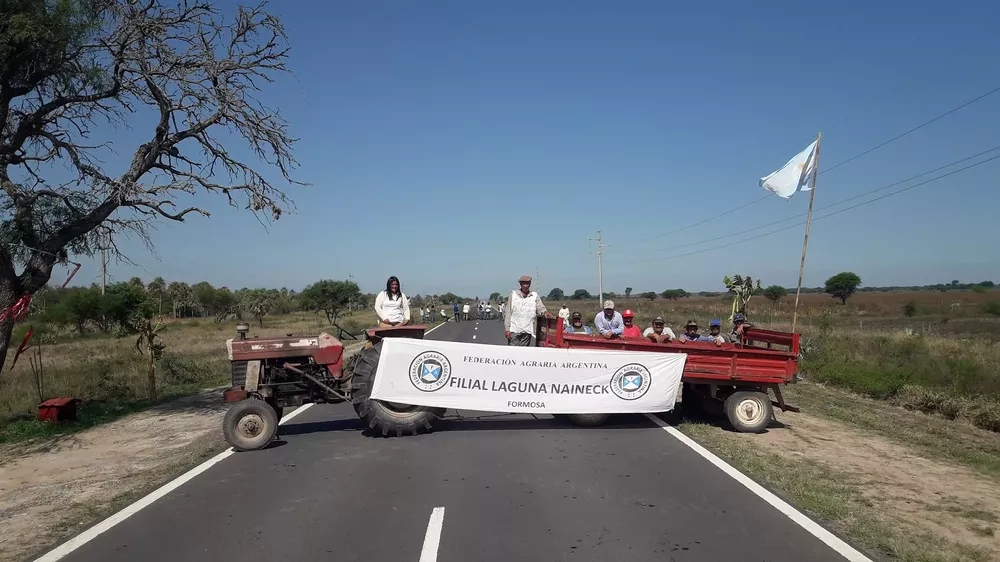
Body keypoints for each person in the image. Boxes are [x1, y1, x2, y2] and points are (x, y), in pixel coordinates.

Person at [504, 275, 552, 346]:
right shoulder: (513, 295)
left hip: (527, 330)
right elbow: (508, 312)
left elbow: (540, 307)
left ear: (530, 284)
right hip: (514, 330)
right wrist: (507, 329)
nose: (525, 286)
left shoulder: (534, 295)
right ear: (520, 284)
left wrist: (545, 312)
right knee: (513, 353)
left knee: (524, 353)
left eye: (527, 284)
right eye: (523, 284)